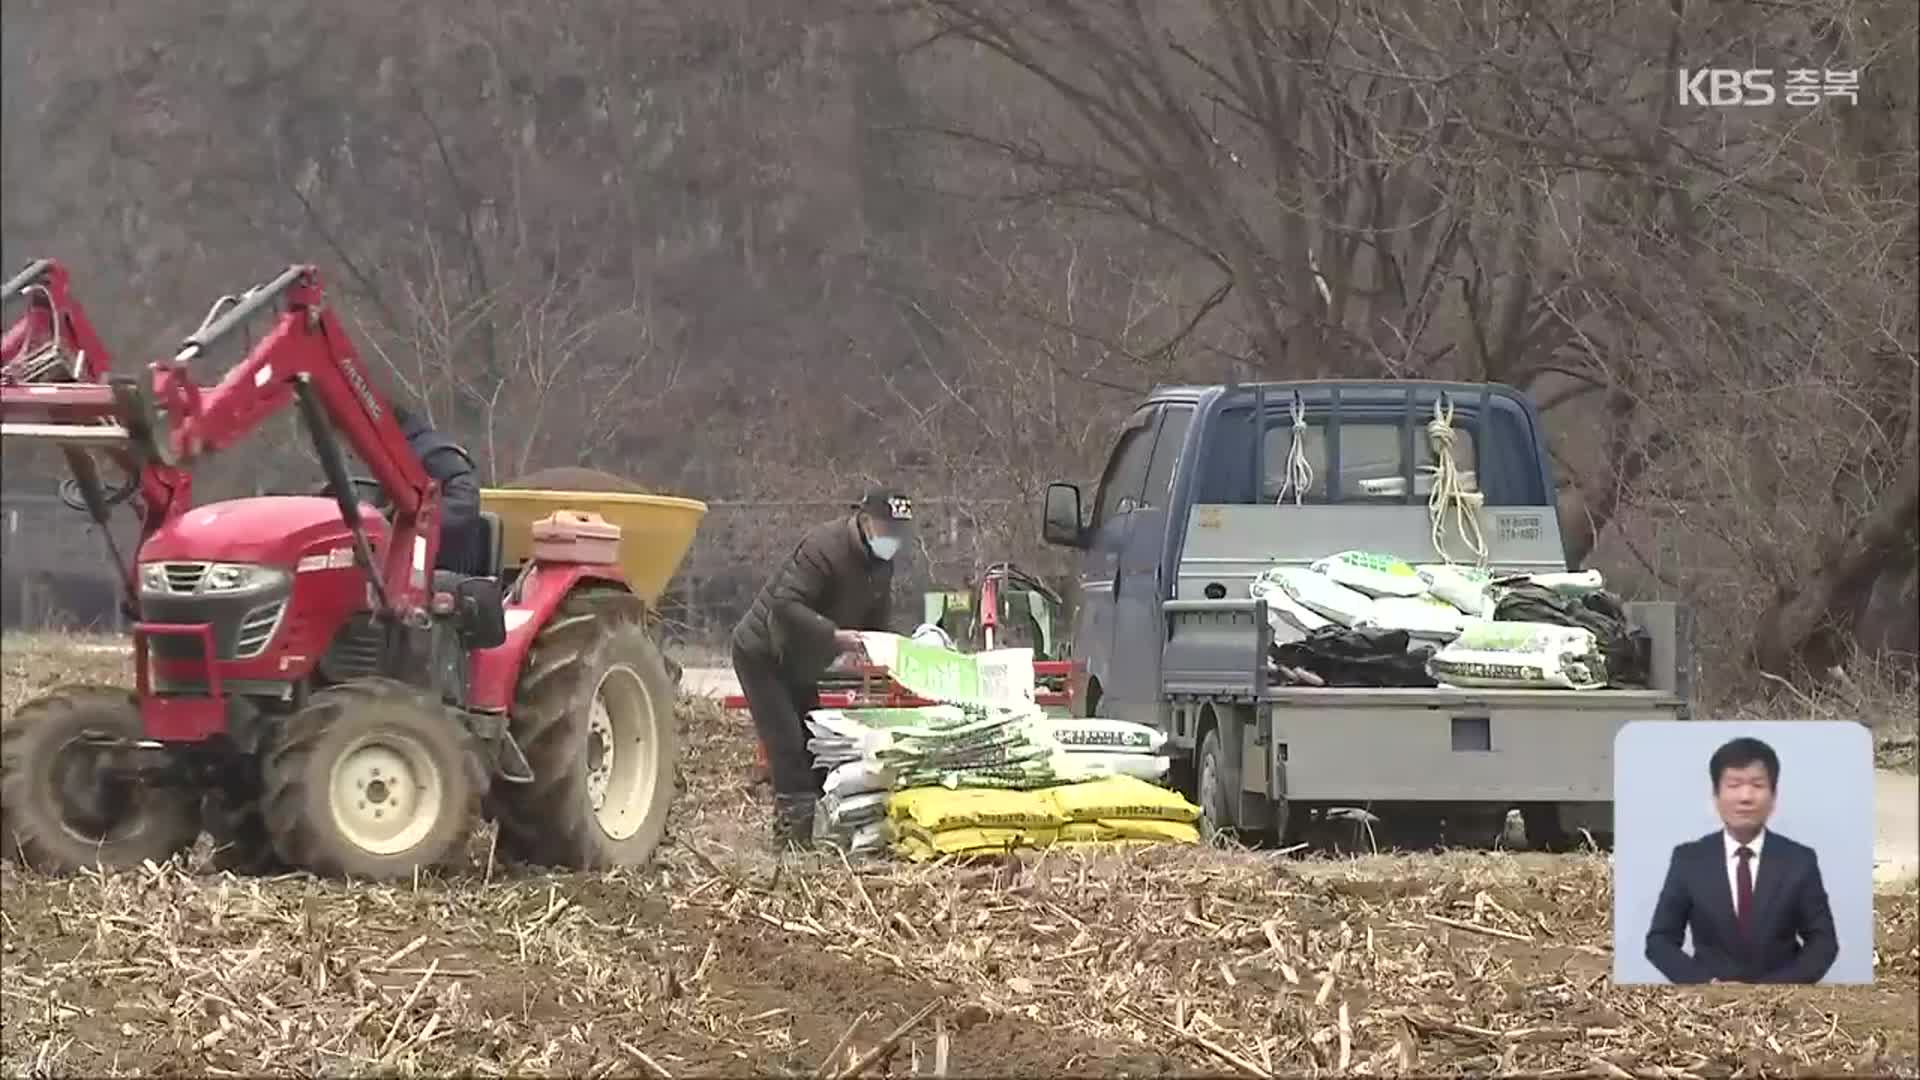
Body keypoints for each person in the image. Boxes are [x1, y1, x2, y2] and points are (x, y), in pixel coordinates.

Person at [731, 490, 912, 849]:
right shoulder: (823, 548)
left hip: (805, 660)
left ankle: (822, 834)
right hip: (764, 653)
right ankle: (791, 848)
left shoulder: (882, 565)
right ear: (864, 521)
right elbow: (785, 605)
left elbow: (879, 618)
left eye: (899, 531)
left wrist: (885, 652)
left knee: (819, 743)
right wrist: (835, 637)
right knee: (788, 747)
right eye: (886, 527)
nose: (892, 538)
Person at [1643, 736, 1838, 984]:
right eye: (1734, 785)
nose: (1746, 797)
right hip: (1709, 1001)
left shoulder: (1799, 860)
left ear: (1773, 796)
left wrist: (1772, 991)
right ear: (1716, 796)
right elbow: (1659, 941)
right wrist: (1706, 985)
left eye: (1757, 785)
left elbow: (1823, 943)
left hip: (1782, 1002)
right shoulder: (1688, 859)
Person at [392, 404, 486, 576]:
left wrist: (413, 522)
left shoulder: (435, 453)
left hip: (438, 567)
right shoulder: (389, 456)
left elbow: (464, 502)